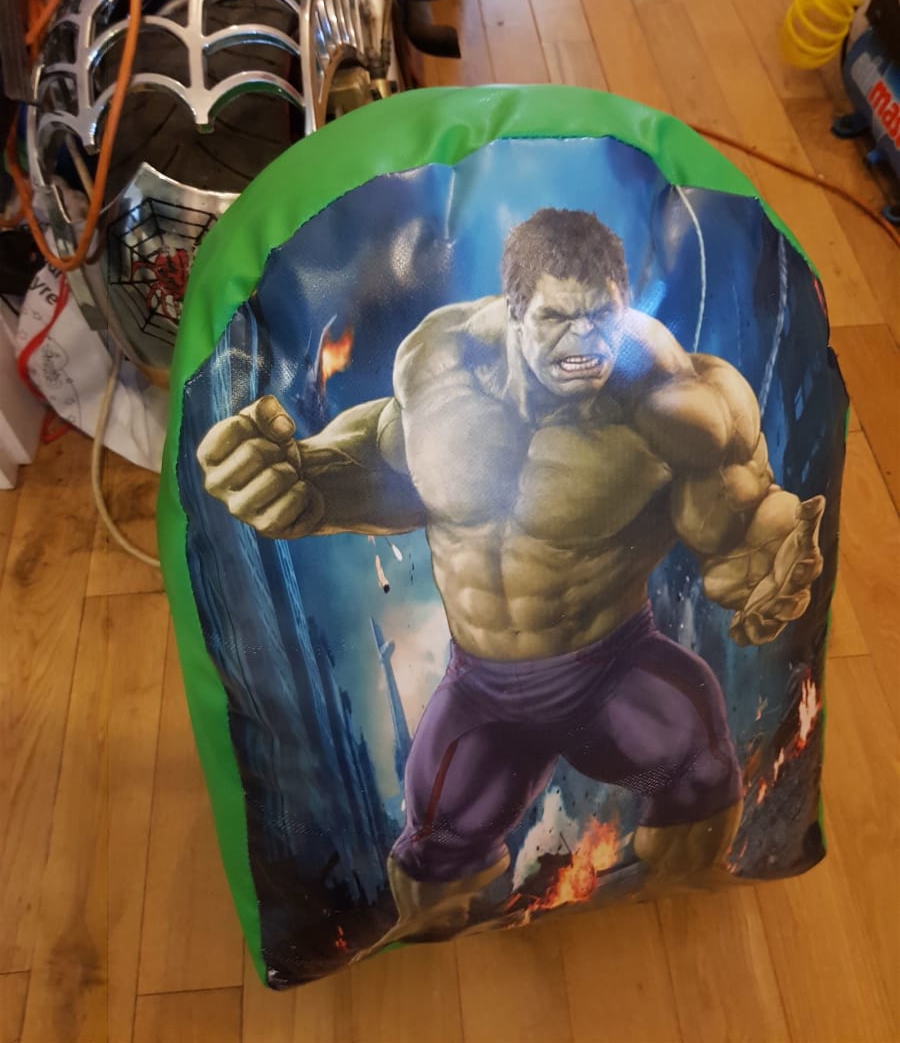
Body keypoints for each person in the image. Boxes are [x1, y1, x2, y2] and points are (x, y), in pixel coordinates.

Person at [197, 208, 824, 949]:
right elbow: (389, 466)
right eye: (558, 320)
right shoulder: (443, 367)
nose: (584, 343)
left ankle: (693, 944)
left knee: (700, 794)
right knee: (429, 874)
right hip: (483, 694)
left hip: (617, 669)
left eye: (601, 319)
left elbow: (744, 524)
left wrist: (771, 561)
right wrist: (298, 483)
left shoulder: (675, 401)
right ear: (515, 310)